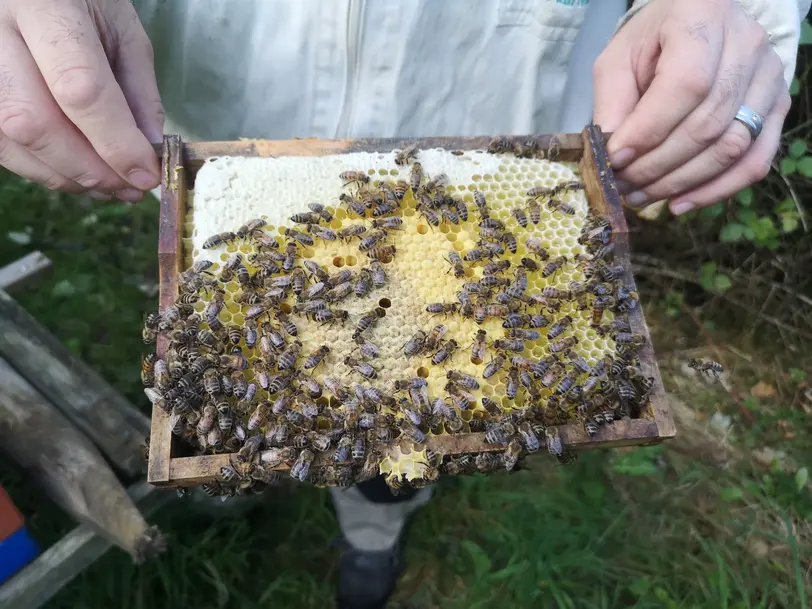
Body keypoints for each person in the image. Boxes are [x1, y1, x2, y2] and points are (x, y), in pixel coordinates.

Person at [0, 1, 806, 607]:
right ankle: (272, 467)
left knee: (418, 414)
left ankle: (377, 514)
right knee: (249, 341)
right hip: (243, 147)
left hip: (494, 154)